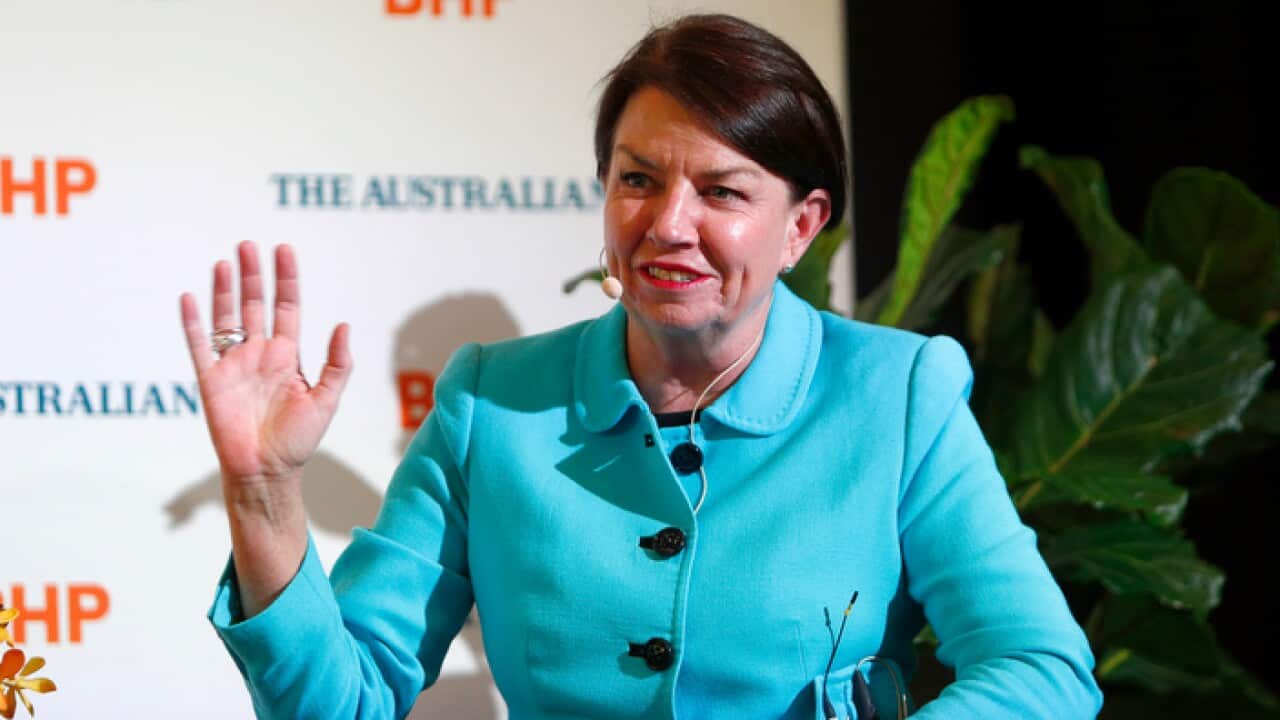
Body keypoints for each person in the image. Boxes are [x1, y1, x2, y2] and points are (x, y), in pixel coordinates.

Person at [180, 14, 1103, 720]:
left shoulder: (899, 395)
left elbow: (1040, 667)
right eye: (638, 179)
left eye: (721, 191)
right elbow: (338, 704)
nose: (668, 225)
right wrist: (263, 492)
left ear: (802, 226)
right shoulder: (489, 403)